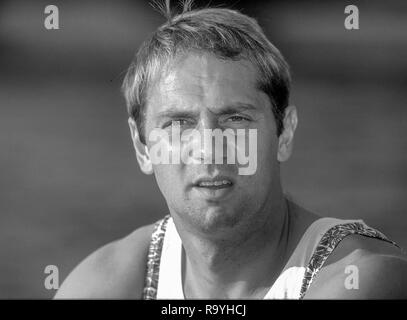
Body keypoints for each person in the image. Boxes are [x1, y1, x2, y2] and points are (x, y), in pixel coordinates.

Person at [55, 2, 407, 299]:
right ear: (142, 146)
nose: (208, 149)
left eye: (235, 118)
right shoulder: (104, 284)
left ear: (284, 133)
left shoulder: (363, 277)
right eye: (179, 123)